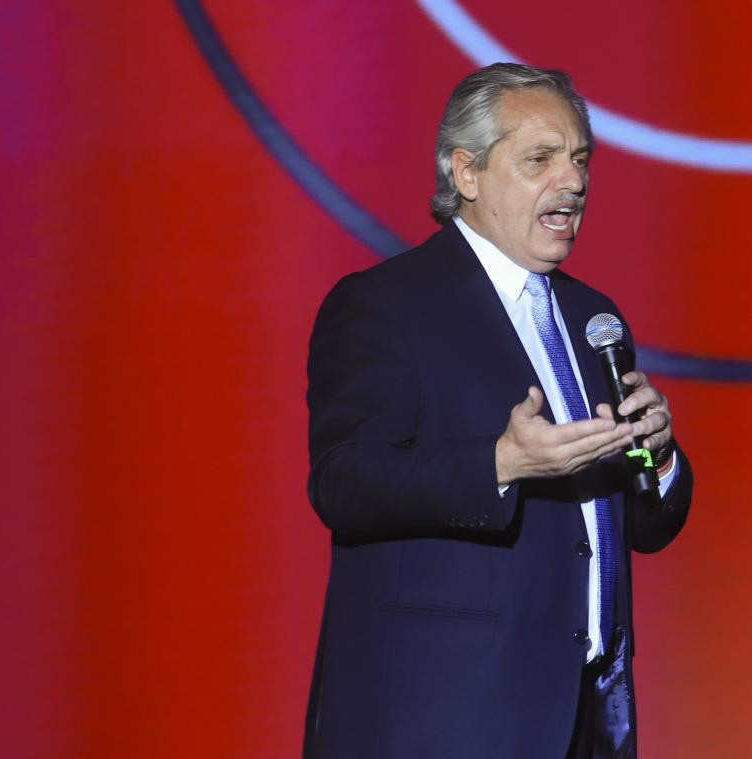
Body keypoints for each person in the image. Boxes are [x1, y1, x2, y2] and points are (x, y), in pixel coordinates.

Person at [303, 62, 693, 759]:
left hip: (586, 718)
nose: (571, 181)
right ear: (467, 172)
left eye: (579, 159)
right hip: (445, 719)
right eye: (540, 158)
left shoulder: (592, 317)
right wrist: (500, 463)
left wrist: (656, 456)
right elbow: (344, 481)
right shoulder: (385, 304)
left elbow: (642, 522)